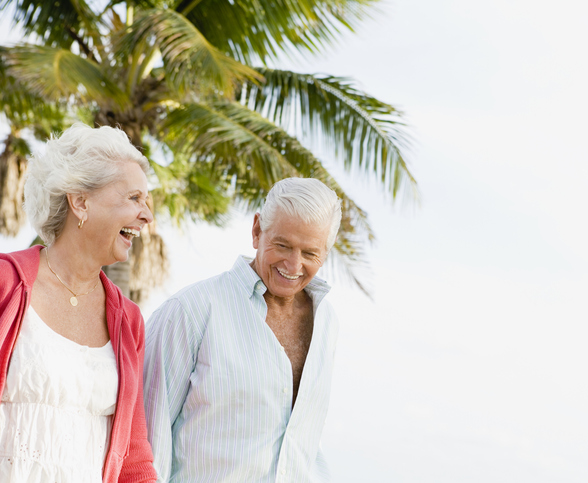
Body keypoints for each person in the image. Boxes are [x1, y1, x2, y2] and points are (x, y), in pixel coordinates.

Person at [143, 177, 342, 482]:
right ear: (257, 230)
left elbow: (301, 442)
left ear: (326, 252)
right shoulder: (190, 311)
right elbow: (146, 441)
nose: (293, 264)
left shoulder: (326, 321)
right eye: (283, 245)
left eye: (310, 253)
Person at [0, 123, 158, 483]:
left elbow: (134, 459)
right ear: (80, 201)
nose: (147, 215)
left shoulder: (128, 320)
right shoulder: (6, 283)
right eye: (134, 198)